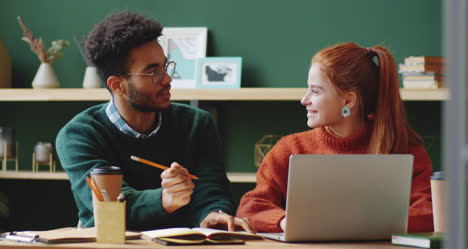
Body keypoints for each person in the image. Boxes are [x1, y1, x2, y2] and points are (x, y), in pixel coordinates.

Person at [56, 11, 252, 232]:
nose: (167, 79)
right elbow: (109, 207)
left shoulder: (197, 123)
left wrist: (213, 213)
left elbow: (211, 187)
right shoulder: (79, 135)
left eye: (165, 67)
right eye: (153, 73)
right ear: (117, 85)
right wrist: (165, 199)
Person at [236, 42, 433, 233]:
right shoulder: (290, 148)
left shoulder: (404, 148)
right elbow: (251, 207)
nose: (304, 100)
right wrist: (287, 222)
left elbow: (430, 213)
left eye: (315, 91)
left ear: (348, 100)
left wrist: (355, 223)